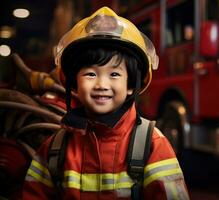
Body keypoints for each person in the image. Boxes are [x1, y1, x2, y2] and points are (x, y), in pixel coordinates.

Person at [22, 6, 190, 200]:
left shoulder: (152, 145)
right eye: (91, 74)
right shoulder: (55, 148)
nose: (102, 84)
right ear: (74, 83)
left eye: (114, 74)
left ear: (131, 85)